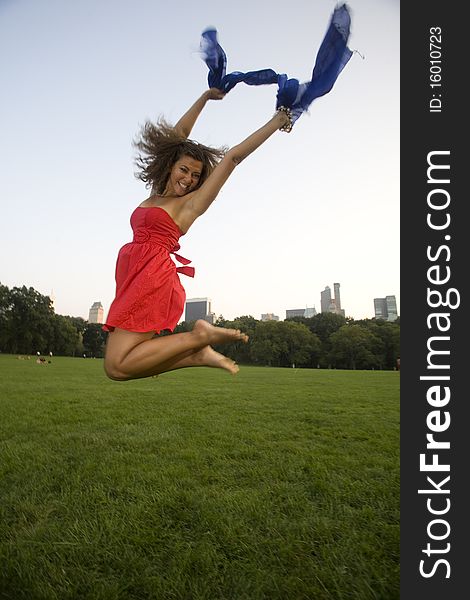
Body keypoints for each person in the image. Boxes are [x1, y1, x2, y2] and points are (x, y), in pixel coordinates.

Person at [103, 89, 293, 381]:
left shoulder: (188, 205)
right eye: (184, 170)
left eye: (195, 175)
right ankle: (196, 353)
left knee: (116, 366)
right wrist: (205, 98)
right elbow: (176, 136)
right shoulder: (156, 194)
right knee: (118, 367)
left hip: (152, 276)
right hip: (134, 275)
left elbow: (233, 158)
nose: (188, 179)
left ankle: (197, 338)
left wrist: (277, 120)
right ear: (170, 166)